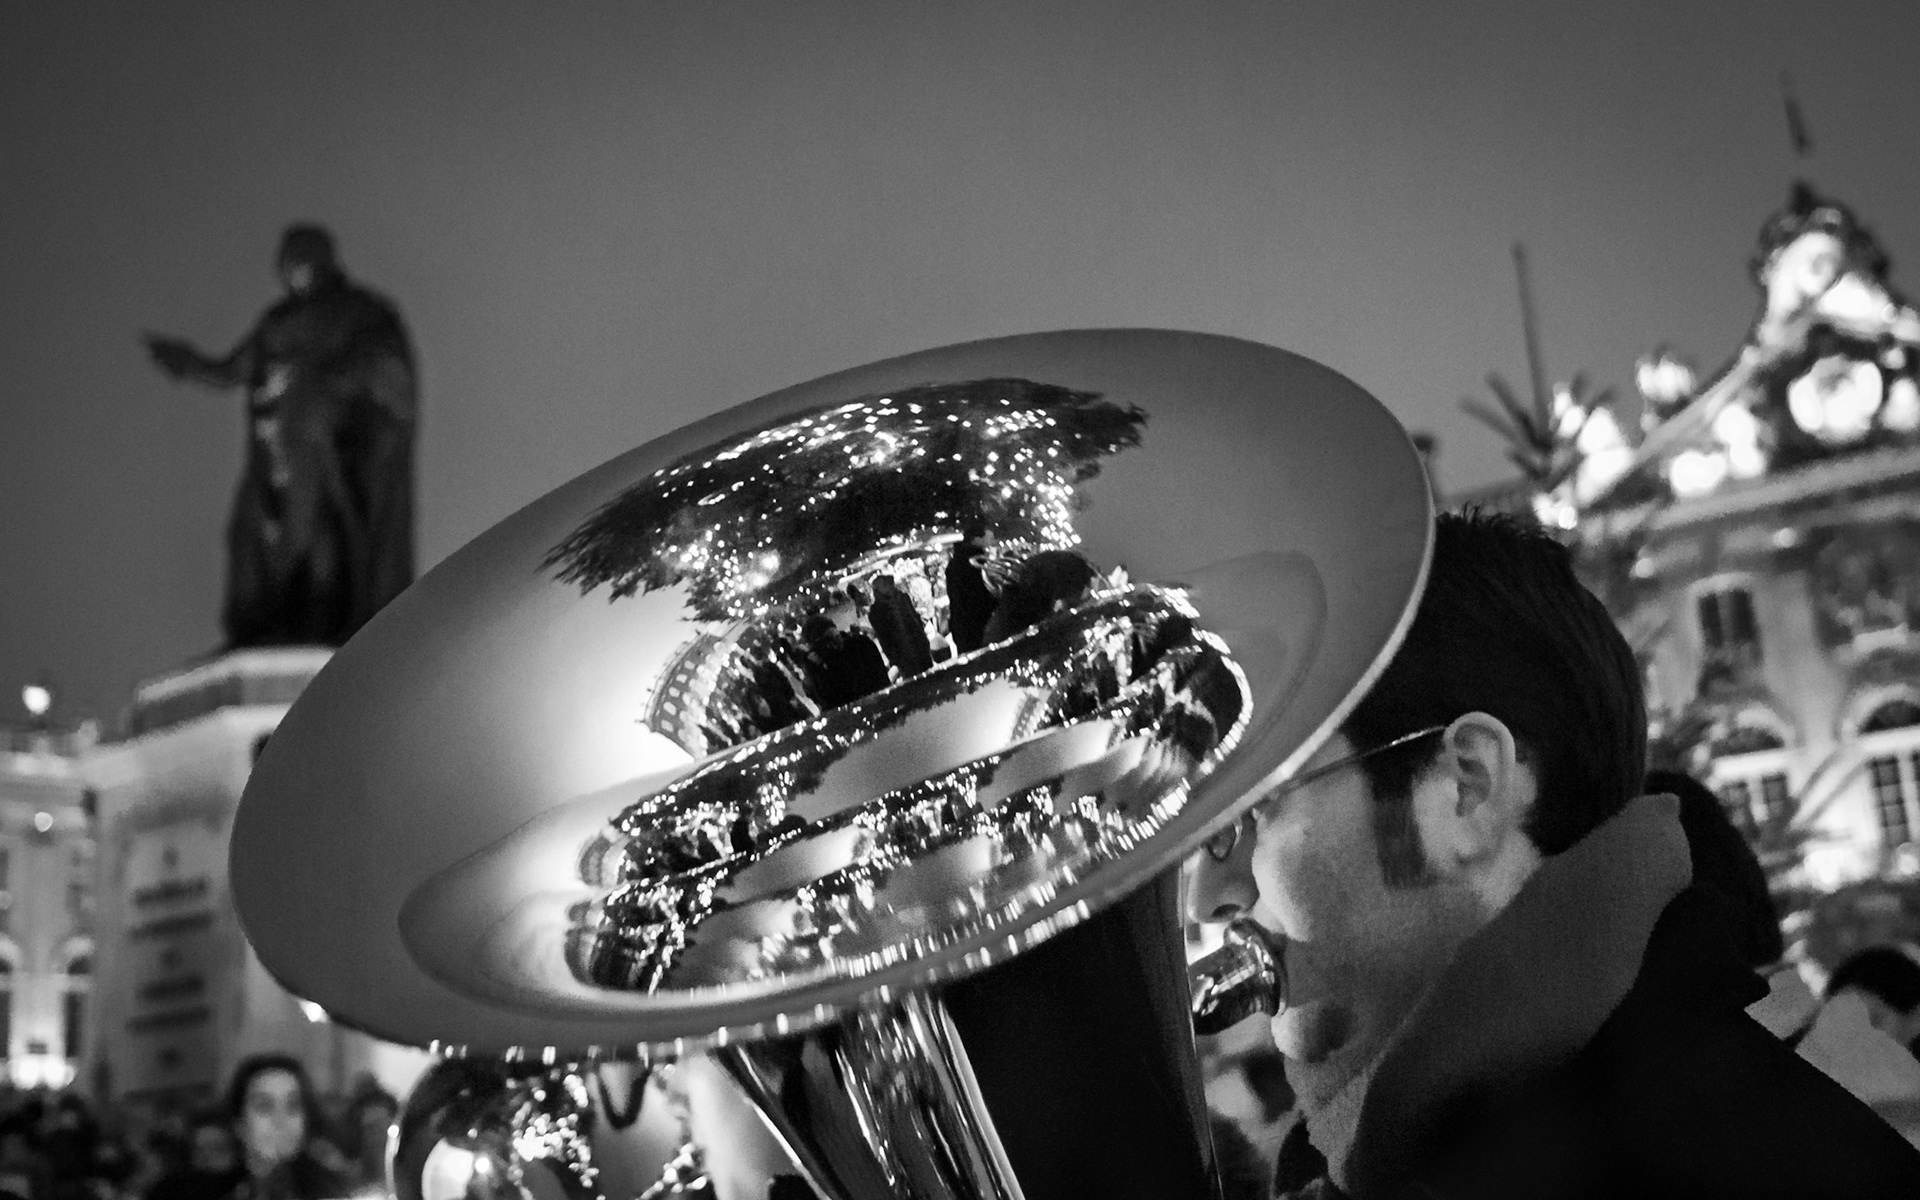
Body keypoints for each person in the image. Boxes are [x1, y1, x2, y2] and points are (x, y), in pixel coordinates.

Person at [1188, 510, 1920, 1198]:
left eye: (1258, 808)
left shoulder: (1740, 1166)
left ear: (1466, 790)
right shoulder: (1381, 1154)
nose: (1207, 899)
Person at [146, 223, 417, 649]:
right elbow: (232, 370)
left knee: (317, 545)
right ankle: (259, 630)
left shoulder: (360, 312)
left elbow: (386, 369)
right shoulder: (276, 321)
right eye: (286, 263)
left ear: (321, 261)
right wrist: (189, 363)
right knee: (248, 544)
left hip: (323, 452)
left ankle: (322, 628)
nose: (289, 271)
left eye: (298, 260)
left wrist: (328, 387)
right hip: (271, 456)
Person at [223, 1055, 352, 1200]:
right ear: (239, 1123)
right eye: (264, 1106)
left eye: (292, 1105)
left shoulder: (334, 1191)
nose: (280, 1120)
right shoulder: (215, 1189)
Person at [145, 1109, 241, 1200]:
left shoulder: (245, 1188)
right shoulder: (170, 1189)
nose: (207, 1156)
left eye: (217, 1149)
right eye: (199, 1150)